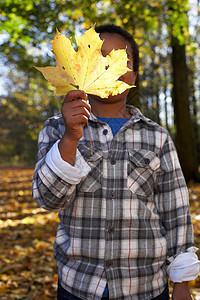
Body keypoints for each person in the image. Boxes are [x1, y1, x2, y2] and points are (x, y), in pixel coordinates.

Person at [32, 24, 199, 300]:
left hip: (145, 287)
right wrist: (70, 138)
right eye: (99, 57)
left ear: (133, 74)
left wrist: (182, 281)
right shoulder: (56, 129)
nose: (109, 66)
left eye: (121, 59)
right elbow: (48, 199)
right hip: (79, 286)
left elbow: (176, 211)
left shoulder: (156, 136)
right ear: (78, 68)